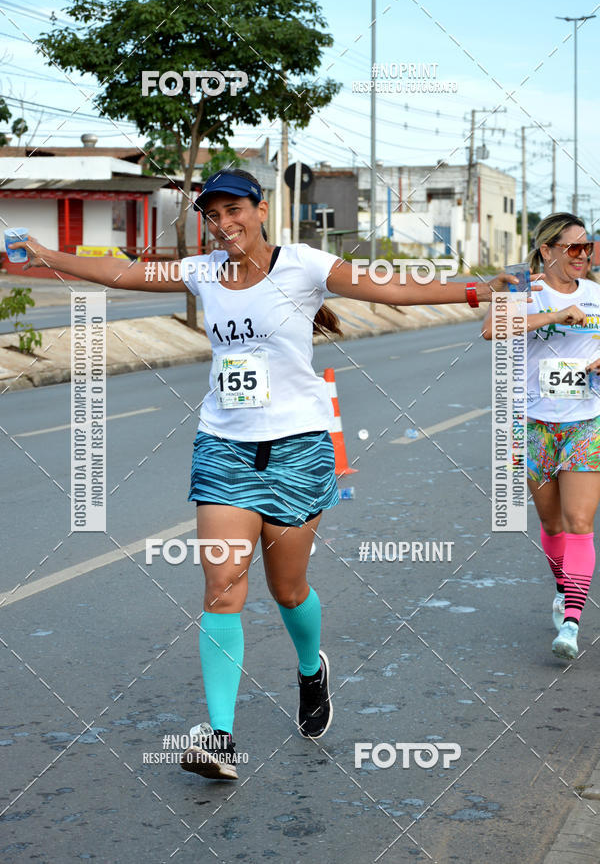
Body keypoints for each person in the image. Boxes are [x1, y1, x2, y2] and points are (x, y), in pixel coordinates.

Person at [15, 167, 518, 780]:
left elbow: (390, 289)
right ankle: (220, 738)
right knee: (223, 585)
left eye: (235, 211)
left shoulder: (302, 265)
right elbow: (124, 273)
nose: (224, 224)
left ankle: (311, 669)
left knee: (288, 590)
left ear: (260, 209)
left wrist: (475, 291)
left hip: (298, 450)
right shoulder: (202, 272)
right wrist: (46, 254)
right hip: (224, 447)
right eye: (213, 215)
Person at [482, 212, 600, 660]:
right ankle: (563, 587)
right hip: (531, 423)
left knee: (579, 523)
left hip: (586, 421)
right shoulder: (524, 290)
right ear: (547, 250)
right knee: (551, 524)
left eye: (587, 247)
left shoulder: (597, 296)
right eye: (573, 248)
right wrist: (553, 314)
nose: (583, 256)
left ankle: (571, 621)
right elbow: (491, 330)